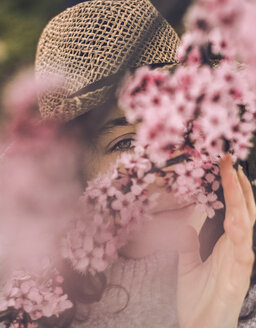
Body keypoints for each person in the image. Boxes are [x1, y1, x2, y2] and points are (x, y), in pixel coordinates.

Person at [34, 0, 256, 327]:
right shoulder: (23, 301)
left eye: (181, 129)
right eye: (125, 143)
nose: (170, 170)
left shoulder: (244, 280)